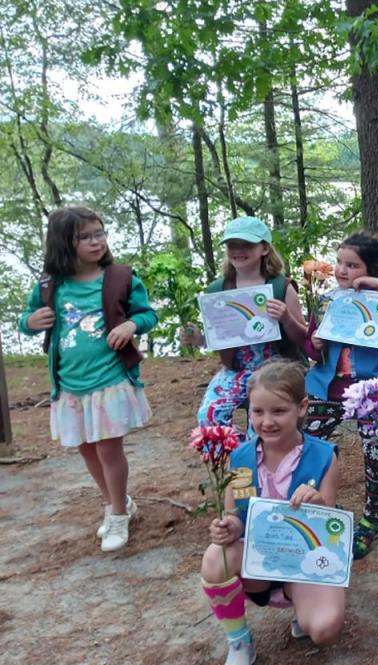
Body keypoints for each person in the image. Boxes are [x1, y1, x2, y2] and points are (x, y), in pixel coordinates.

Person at [19, 206, 157, 552]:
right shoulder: (50, 285)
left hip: (109, 379)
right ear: (64, 242)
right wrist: (29, 322)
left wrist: (130, 325)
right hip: (69, 383)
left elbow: (147, 314)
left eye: (100, 233)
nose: (97, 241)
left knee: (109, 448)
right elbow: (26, 319)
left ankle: (118, 515)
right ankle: (116, 500)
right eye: (85, 236)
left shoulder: (120, 277)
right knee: (86, 448)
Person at [199, 361, 344, 665]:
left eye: (278, 411)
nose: (267, 421)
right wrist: (228, 528)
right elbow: (235, 516)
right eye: (257, 411)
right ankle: (239, 644)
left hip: (304, 564)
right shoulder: (238, 457)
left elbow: (331, 528)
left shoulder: (324, 457)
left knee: (323, 630)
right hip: (257, 567)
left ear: (302, 407)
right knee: (215, 556)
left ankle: (299, 605)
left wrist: (318, 503)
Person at [302, 232, 378, 558]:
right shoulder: (327, 300)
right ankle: (325, 507)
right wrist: (315, 345)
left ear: (370, 270)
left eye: (352, 265)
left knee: (376, 446)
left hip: (377, 389)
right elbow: (311, 344)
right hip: (330, 388)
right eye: (339, 262)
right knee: (308, 438)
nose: (342, 270)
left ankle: (371, 519)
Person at [184, 216, 308, 435]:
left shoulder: (281, 287)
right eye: (232, 245)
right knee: (209, 415)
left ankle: (261, 460)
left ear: (264, 248)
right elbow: (220, 337)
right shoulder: (218, 290)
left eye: (247, 244)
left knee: (260, 424)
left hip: (277, 369)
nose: (238, 250)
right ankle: (236, 461)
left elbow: (304, 339)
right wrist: (199, 339)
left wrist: (286, 318)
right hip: (236, 370)